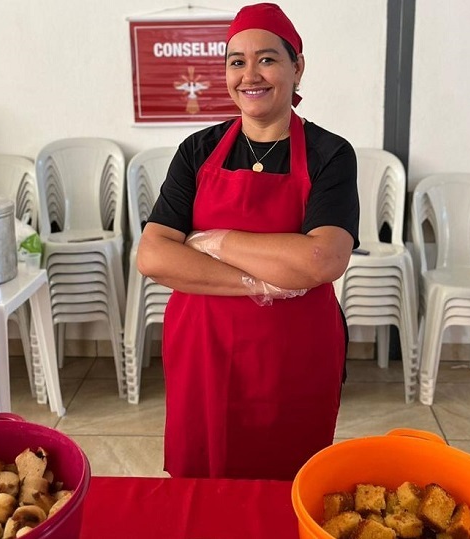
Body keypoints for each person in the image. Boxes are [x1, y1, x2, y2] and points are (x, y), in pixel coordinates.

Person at [137, 2, 359, 480]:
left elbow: (322, 257)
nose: (249, 74)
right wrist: (263, 282)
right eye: (236, 61)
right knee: (202, 486)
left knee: (290, 481)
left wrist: (211, 240)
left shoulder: (330, 154)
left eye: (267, 59)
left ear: (297, 67)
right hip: (204, 354)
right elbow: (153, 255)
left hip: (293, 357)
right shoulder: (197, 150)